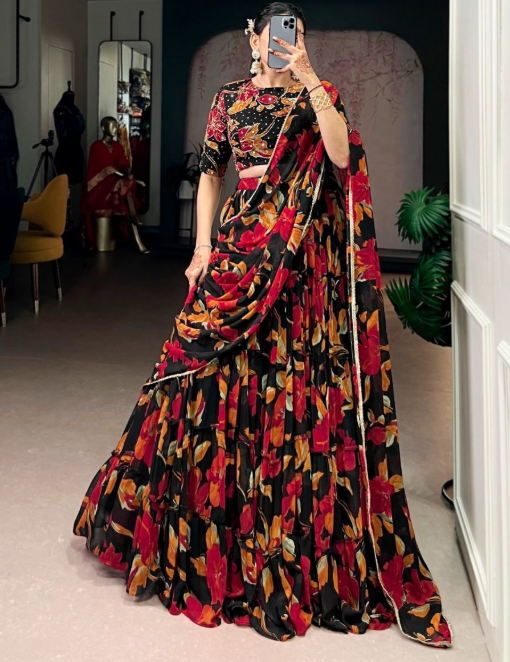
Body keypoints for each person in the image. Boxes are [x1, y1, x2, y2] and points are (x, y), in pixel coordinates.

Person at [73, 2, 453, 647]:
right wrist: (201, 249)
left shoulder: (317, 96)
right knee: (191, 370)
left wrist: (308, 77)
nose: (280, 41)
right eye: (272, 32)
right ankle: (192, 527)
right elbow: (210, 175)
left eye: (292, 32)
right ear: (252, 38)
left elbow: (341, 156)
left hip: (296, 267)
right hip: (238, 252)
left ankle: (277, 530)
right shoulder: (228, 99)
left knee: (284, 387)